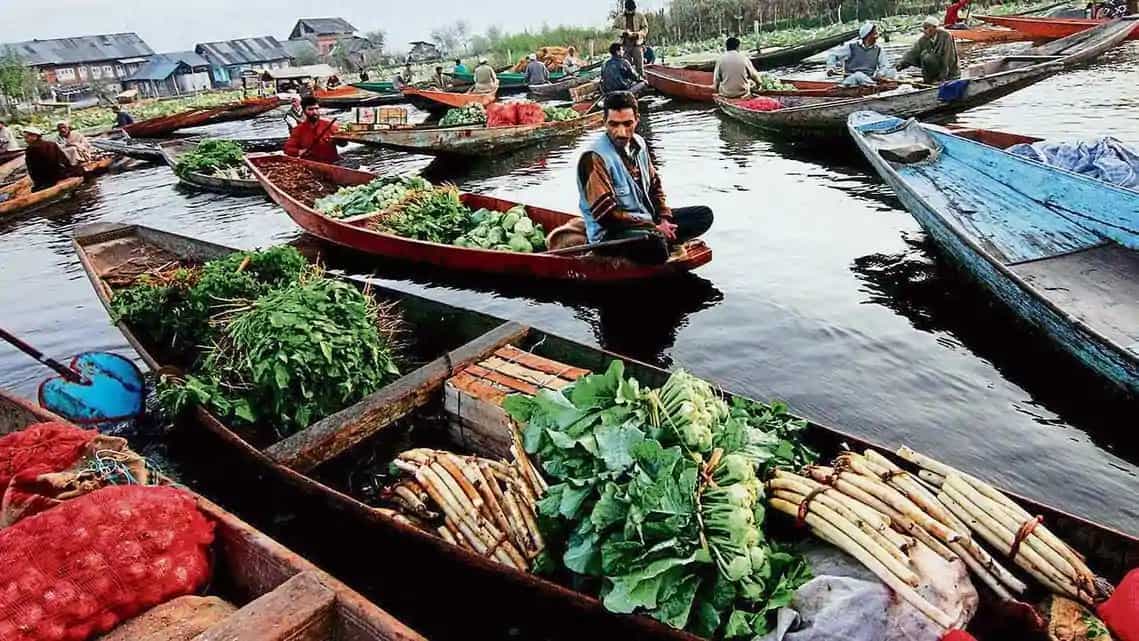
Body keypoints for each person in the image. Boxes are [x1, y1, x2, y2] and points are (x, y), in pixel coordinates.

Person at [575, 91, 713, 264]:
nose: (621, 132)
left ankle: (664, 237)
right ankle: (664, 241)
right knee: (656, 247)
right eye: (613, 124)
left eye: (627, 124)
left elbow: (655, 186)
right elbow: (607, 217)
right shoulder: (594, 158)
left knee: (703, 215)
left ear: (637, 120)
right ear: (604, 123)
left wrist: (664, 218)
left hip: (647, 221)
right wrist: (654, 227)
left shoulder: (639, 143)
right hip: (612, 233)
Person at [826, 22, 896, 86]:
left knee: (892, 71)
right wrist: (831, 67)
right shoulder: (851, 47)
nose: (877, 35)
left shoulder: (879, 50)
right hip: (852, 80)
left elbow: (885, 66)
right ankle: (874, 85)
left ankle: (872, 84)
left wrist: (880, 74)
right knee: (858, 75)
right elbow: (832, 55)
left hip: (869, 78)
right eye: (874, 33)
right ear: (868, 35)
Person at [283, 96, 346, 164]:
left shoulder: (330, 125)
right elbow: (287, 149)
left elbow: (343, 144)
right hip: (310, 165)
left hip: (332, 164)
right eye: (310, 109)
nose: (315, 112)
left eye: (316, 109)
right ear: (304, 111)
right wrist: (299, 151)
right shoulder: (298, 130)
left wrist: (341, 140)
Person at [897, 17, 960, 83]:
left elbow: (948, 57)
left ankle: (939, 78)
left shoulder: (946, 36)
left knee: (927, 57)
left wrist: (943, 77)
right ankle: (930, 79)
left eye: (926, 28)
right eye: (924, 28)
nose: (924, 31)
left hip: (950, 72)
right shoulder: (923, 39)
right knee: (924, 55)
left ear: (934, 28)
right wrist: (902, 63)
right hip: (935, 71)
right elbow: (913, 52)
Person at [613, 0, 649, 76]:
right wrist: (623, 32)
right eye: (629, 10)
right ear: (625, 9)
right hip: (624, 45)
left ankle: (641, 80)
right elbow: (614, 29)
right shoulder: (619, 17)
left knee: (639, 64)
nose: (630, 11)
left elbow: (645, 28)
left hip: (637, 44)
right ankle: (629, 82)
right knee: (626, 65)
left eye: (632, 10)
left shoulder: (640, 16)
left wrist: (638, 34)